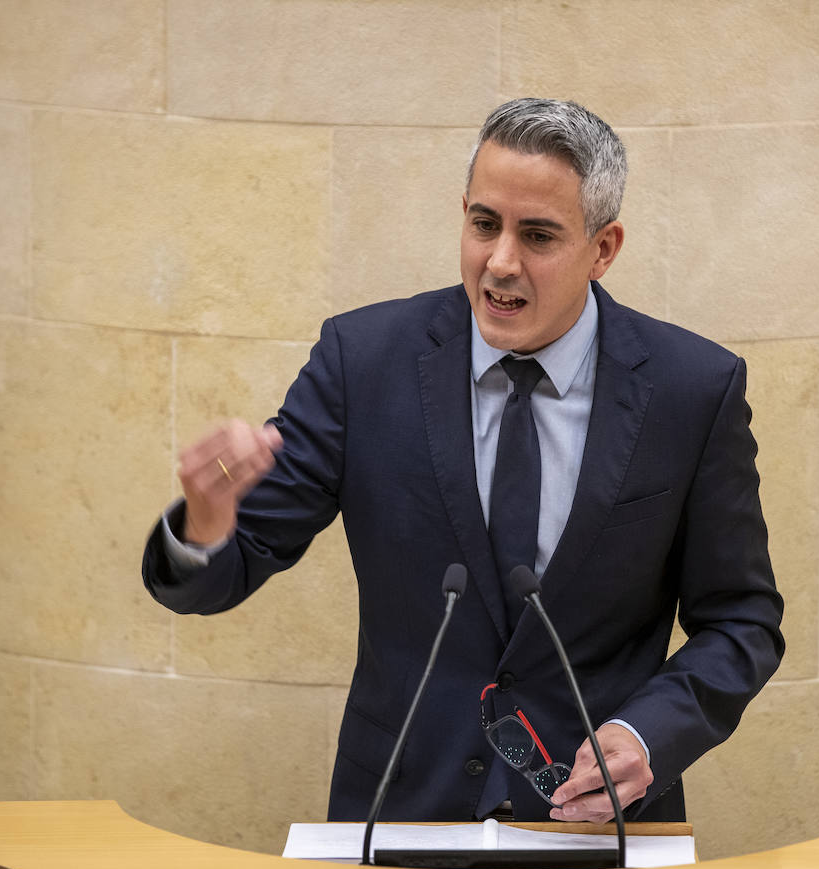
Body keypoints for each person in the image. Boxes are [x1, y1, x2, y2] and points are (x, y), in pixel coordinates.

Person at [142, 98, 784, 824]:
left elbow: (741, 619)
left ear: (604, 249)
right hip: (404, 814)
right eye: (484, 224)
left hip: (596, 833)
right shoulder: (364, 363)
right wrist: (204, 525)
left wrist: (647, 735)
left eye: (537, 235)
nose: (500, 262)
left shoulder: (691, 389)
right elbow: (219, 575)